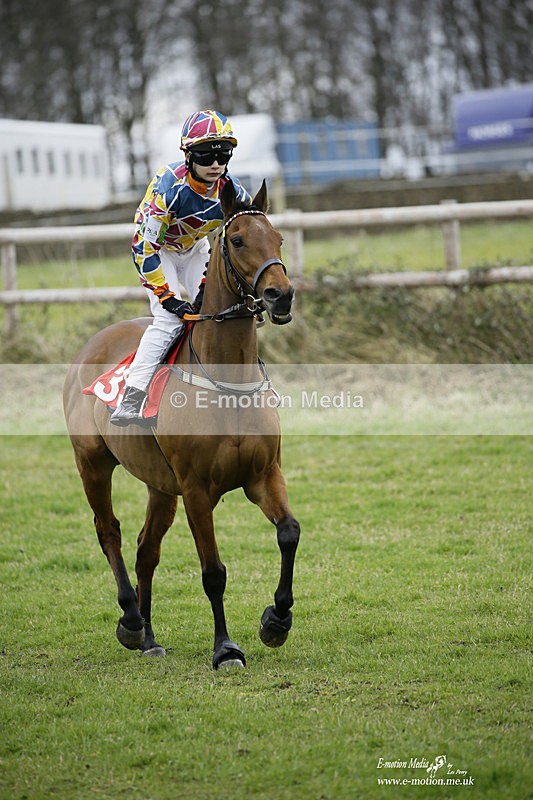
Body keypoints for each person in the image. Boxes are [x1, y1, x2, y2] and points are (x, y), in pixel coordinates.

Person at [111, 109, 251, 426]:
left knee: (223, 310)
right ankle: (132, 395)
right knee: (169, 320)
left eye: (223, 154)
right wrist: (166, 296)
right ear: (188, 156)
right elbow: (144, 247)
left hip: (196, 248)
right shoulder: (168, 187)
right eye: (205, 155)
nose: (215, 163)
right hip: (159, 251)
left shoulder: (232, 189)